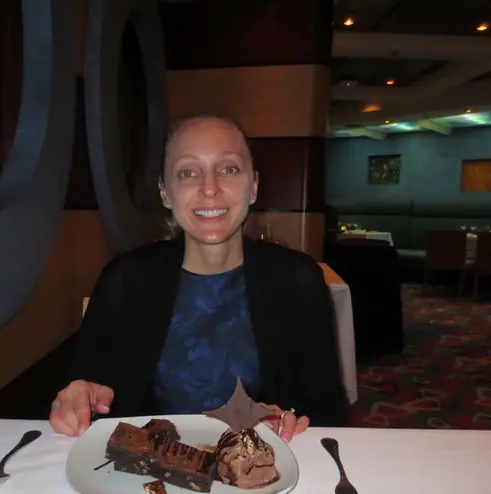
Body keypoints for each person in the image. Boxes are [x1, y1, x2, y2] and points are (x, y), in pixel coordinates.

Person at [50, 114, 345, 441]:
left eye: (228, 169)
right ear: (165, 193)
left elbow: (327, 409)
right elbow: (85, 389)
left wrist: (286, 418)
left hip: (260, 461)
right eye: (188, 172)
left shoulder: (297, 280)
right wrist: (78, 399)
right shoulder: (124, 280)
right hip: (148, 463)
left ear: (253, 187)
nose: (210, 188)